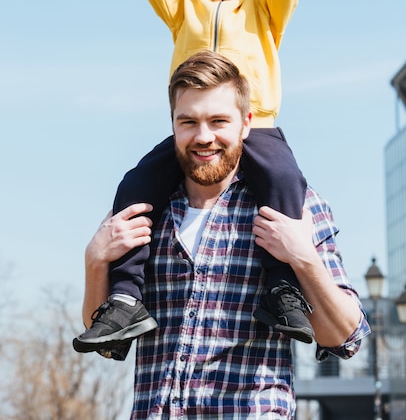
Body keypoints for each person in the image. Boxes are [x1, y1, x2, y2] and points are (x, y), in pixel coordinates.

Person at [73, 0, 311, 353]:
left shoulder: (265, 6)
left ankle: (283, 290)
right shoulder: (183, 8)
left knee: (286, 181)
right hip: (192, 128)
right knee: (133, 187)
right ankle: (124, 301)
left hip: (255, 125)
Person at [77, 51, 370, 419]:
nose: (203, 137)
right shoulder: (145, 211)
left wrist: (304, 258)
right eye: (188, 122)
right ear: (173, 125)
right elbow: (101, 331)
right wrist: (94, 260)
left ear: (246, 123)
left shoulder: (296, 208)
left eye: (218, 121)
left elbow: (346, 338)